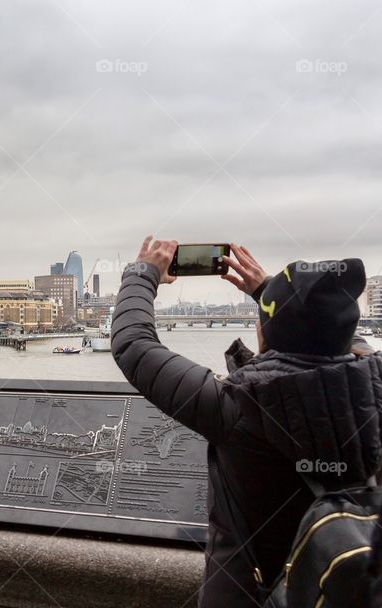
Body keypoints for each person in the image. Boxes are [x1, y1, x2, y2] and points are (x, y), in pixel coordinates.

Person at [112, 236, 382, 608]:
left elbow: (134, 345)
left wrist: (142, 275)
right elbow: (337, 336)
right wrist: (272, 296)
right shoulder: (372, 394)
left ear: (265, 330)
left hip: (246, 595)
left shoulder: (238, 407)